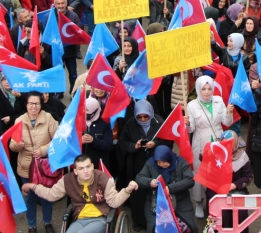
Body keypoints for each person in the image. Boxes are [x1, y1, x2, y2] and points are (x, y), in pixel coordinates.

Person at [22, 154, 137, 233]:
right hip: (80, 219)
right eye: (81, 168)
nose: (86, 171)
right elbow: (51, 195)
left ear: (92, 167)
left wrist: (127, 190)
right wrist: (33, 186)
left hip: (100, 219)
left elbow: (114, 201)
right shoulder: (68, 180)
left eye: (88, 167)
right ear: (75, 171)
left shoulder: (103, 178)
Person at [184, 76, 234, 218]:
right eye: (203, 89)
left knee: (219, 170)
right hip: (201, 142)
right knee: (200, 173)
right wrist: (186, 123)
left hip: (219, 140)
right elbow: (191, 130)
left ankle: (218, 199)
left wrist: (229, 113)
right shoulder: (192, 105)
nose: (207, 92)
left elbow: (226, 122)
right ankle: (199, 202)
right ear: (198, 89)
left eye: (209, 88)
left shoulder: (219, 101)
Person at [9, 91, 58, 233]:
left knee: (46, 197)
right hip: (26, 166)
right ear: (26, 105)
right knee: (30, 198)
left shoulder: (48, 118)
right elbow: (12, 144)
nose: (34, 107)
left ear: (41, 104)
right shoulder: (19, 121)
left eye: (37, 103)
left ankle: (48, 223)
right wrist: (17, 146)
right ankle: (31, 226)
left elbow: (57, 140)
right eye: (31, 103)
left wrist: (43, 150)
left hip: (44, 166)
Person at [118, 100, 165, 231]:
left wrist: (155, 143)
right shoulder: (130, 124)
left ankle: (157, 220)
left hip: (155, 162)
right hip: (136, 163)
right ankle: (138, 221)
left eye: (146, 116)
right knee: (137, 193)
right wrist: (135, 146)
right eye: (140, 117)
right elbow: (122, 143)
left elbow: (168, 141)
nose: (143, 119)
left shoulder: (159, 122)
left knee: (155, 191)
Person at [136, 145, 198, 233]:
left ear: (169, 157)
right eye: (158, 162)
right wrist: (150, 181)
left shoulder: (180, 162)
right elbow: (139, 178)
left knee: (189, 227)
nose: (161, 164)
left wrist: (170, 188)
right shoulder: (150, 163)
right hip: (156, 202)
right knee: (155, 228)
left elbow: (190, 180)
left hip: (181, 201)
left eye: (163, 161)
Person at [81, 97, 113, 171]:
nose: (85, 112)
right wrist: (79, 142)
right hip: (81, 164)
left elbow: (108, 145)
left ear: (95, 110)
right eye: (83, 109)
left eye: (87, 110)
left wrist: (93, 140)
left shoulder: (105, 123)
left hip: (98, 165)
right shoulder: (78, 121)